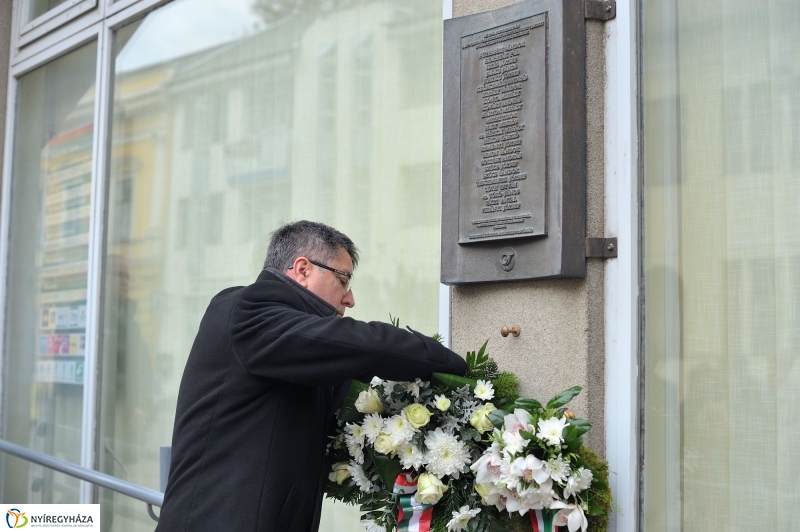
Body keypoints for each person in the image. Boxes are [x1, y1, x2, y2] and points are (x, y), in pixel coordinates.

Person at [155, 220, 467, 532]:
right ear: (303, 269)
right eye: (343, 280)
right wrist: (455, 366)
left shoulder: (297, 346)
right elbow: (364, 345)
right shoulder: (247, 310)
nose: (350, 298)